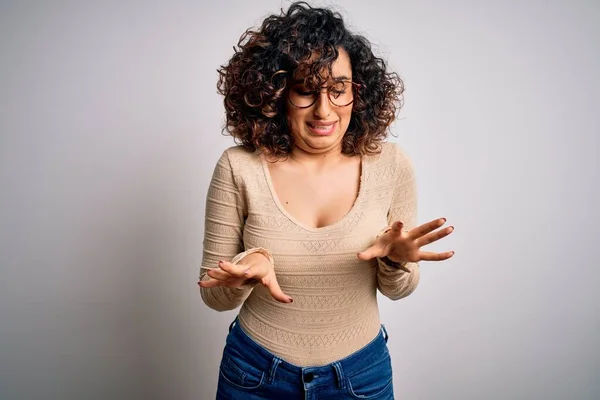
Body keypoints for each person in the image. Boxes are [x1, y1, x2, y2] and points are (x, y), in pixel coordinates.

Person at [198, 2, 454, 399]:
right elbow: (213, 297)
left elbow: (399, 290)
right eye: (305, 90)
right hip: (254, 376)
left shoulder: (391, 165)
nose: (324, 109)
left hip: (359, 378)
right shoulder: (238, 167)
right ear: (277, 94)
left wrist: (394, 259)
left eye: (338, 89)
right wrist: (245, 275)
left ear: (358, 92)